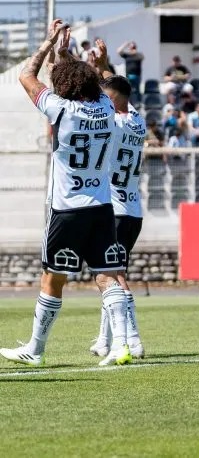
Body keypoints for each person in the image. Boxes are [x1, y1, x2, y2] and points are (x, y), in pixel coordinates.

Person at [1, 20, 131, 368]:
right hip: (102, 205)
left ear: (64, 87)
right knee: (106, 274)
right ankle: (121, 345)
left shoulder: (61, 109)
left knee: (53, 277)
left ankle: (36, 348)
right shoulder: (106, 108)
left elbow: (27, 76)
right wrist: (76, 58)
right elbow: (101, 83)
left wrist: (48, 46)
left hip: (67, 208)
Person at [88, 42, 147, 361]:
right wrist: (105, 65)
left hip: (115, 211)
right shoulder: (136, 121)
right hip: (132, 209)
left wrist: (97, 68)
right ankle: (102, 339)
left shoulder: (112, 123)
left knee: (114, 276)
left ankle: (133, 340)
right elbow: (116, 89)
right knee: (107, 273)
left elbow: (109, 94)